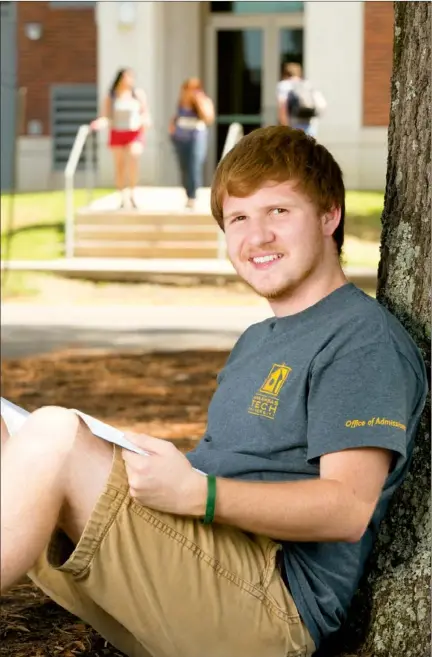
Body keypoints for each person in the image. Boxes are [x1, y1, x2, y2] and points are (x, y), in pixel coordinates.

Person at [1, 127, 427, 657]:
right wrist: (167, 478)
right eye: (239, 219)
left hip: (272, 606)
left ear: (329, 216)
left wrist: (197, 495)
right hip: (207, 562)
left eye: (279, 212)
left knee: (56, 434)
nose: (257, 237)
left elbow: (346, 509)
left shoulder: (361, 340)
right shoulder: (257, 340)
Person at [91, 68, 151, 209]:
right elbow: (105, 116)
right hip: (117, 133)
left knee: (133, 160)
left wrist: (145, 122)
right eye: (126, 77)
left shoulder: (137, 94)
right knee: (120, 167)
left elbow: (145, 113)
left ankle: (133, 194)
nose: (129, 80)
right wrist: (99, 123)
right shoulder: (111, 96)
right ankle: (122, 198)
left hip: (134, 133)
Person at [169, 77, 215, 210]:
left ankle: (193, 196)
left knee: (194, 165)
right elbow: (177, 117)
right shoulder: (181, 102)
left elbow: (208, 118)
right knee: (184, 167)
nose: (190, 92)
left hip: (196, 137)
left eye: (194, 89)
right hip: (180, 138)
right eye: (188, 88)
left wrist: (198, 102)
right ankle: (187, 193)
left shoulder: (204, 101)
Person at [277, 62, 326, 136]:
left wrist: (284, 126)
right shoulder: (307, 84)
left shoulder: (284, 85)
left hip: (294, 122)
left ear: (285, 73)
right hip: (310, 122)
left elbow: (282, 106)